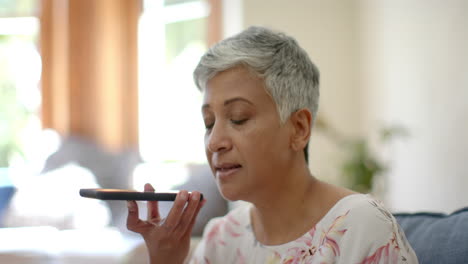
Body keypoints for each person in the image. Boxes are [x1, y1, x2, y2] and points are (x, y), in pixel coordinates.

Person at [127, 26, 418, 264]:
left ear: (299, 129)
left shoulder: (359, 227)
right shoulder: (222, 238)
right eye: (208, 122)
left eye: (238, 118)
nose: (214, 141)